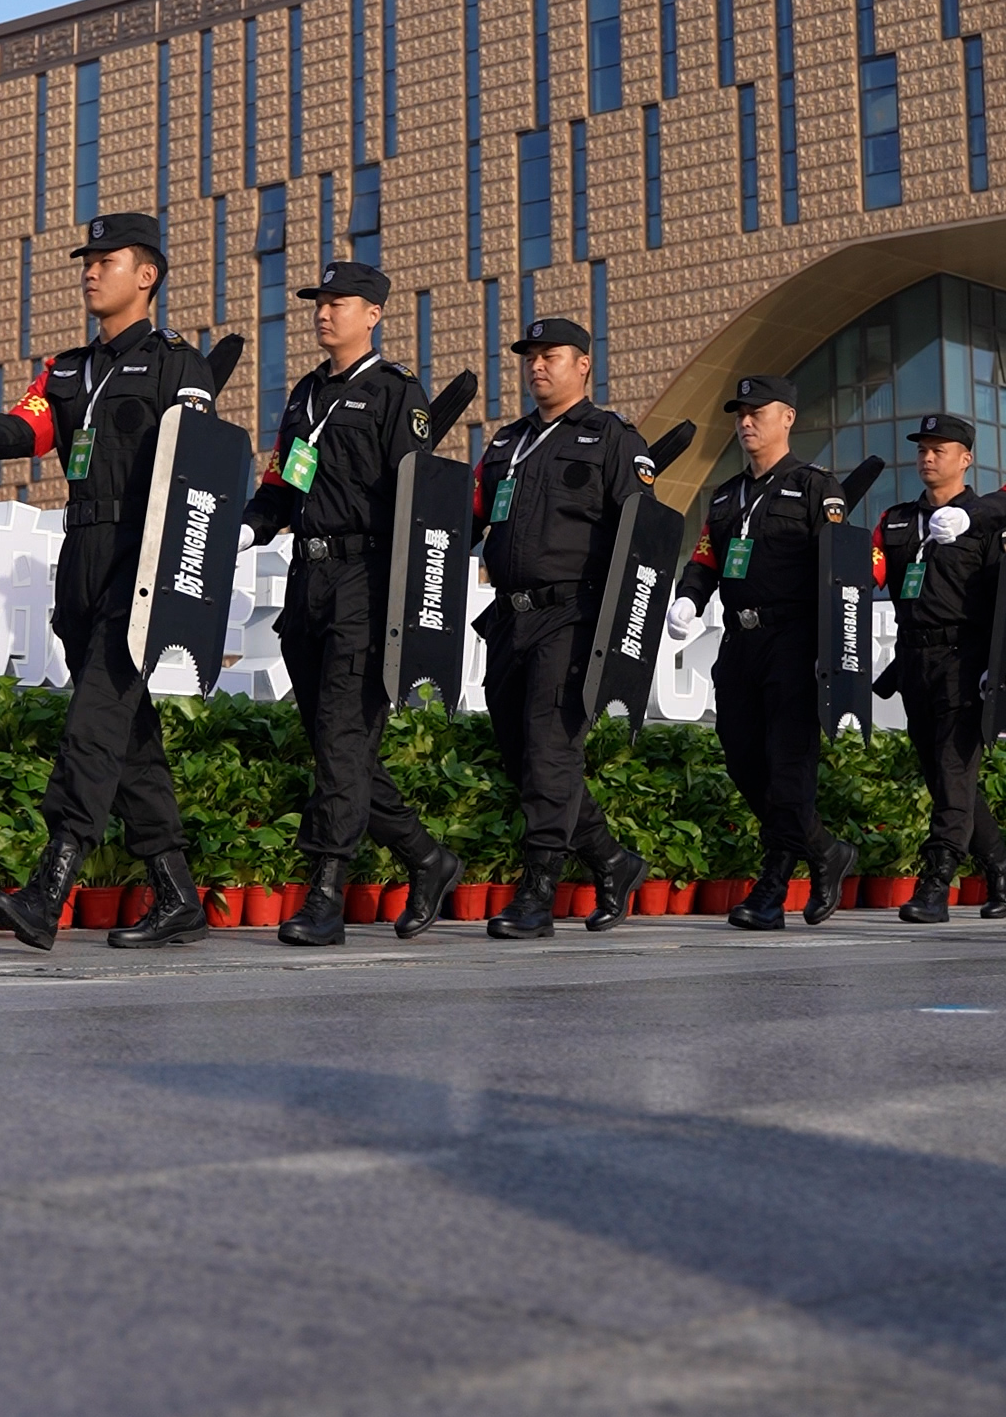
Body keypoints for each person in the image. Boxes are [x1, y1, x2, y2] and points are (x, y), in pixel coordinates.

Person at [0, 212, 223, 950]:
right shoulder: (69, 369)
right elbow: (32, 425)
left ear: (146, 275)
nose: (91, 271)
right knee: (128, 736)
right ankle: (178, 896)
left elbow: (200, 472)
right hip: (83, 555)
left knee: (93, 721)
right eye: (86, 261)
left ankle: (48, 890)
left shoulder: (178, 366)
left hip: (143, 557)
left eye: (106, 260)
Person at [242, 260, 468, 946]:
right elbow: (283, 481)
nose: (323, 312)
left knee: (344, 738)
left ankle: (326, 895)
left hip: (366, 585)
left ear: (372, 315)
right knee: (337, 746)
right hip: (306, 581)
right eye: (319, 301)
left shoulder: (397, 392)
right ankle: (426, 858)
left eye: (338, 302)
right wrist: (249, 529)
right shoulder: (306, 394)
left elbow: (417, 501)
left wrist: (411, 601)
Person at [462, 317, 657, 939]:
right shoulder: (507, 443)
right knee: (524, 758)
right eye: (531, 357)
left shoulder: (612, 438)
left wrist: (627, 631)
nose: (538, 366)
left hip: (574, 618)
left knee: (551, 752)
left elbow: (643, 535)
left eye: (551, 356)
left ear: (584, 365)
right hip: (510, 619)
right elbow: (469, 518)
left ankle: (538, 892)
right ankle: (612, 860)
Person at [675, 376, 861, 931]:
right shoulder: (725, 495)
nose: (746, 421)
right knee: (742, 757)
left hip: (794, 641)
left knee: (788, 766)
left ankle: (774, 884)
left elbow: (838, 571)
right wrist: (688, 598)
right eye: (740, 413)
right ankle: (823, 849)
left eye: (758, 412)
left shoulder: (815, 487)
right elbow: (706, 557)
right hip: (740, 641)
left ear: (788, 418)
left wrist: (833, 651)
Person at [870, 413, 1006, 922]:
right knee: (942, 776)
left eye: (939, 449)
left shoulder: (988, 522)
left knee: (954, 770)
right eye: (922, 449)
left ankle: (935, 883)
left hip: (966, 661)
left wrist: (998, 668)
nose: (928, 457)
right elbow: (867, 572)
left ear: (966, 459)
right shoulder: (895, 520)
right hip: (914, 661)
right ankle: (1002, 864)